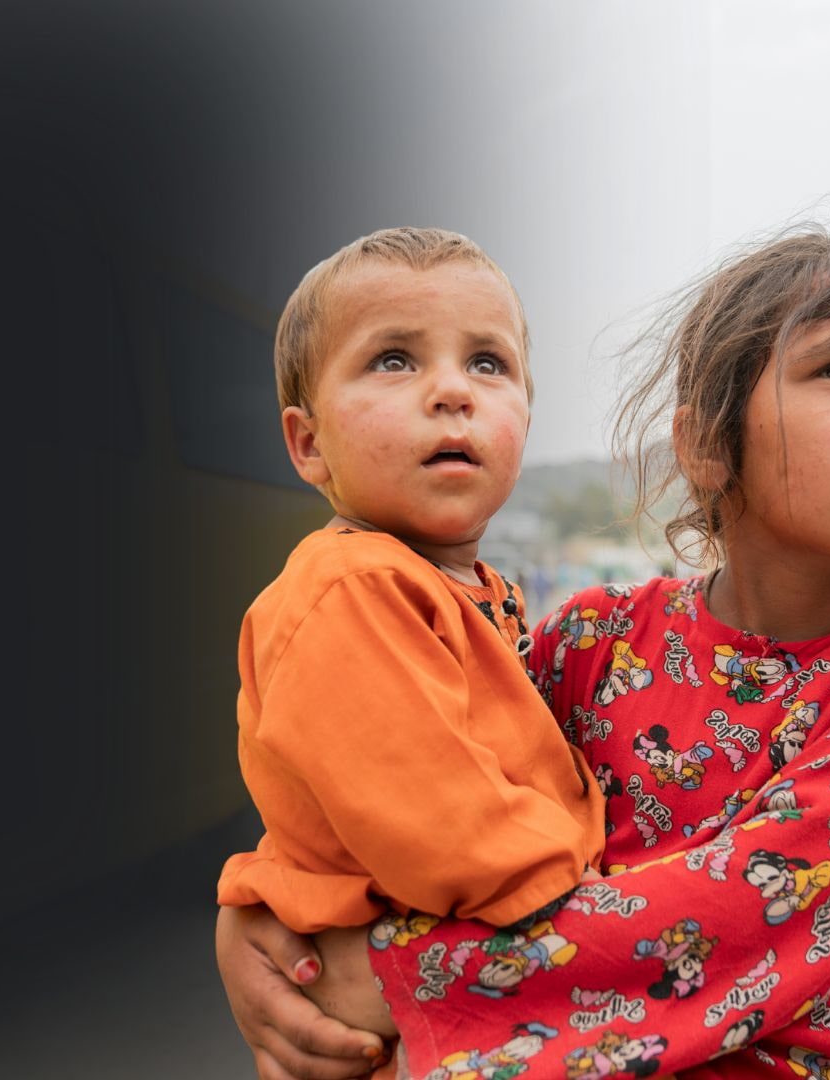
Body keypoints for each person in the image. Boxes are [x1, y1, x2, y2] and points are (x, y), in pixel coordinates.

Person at [216, 221, 830, 1078]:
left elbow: (731, 928)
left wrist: (376, 973)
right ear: (705, 444)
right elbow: (396, 790)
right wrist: (261, 912)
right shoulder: (596, 643)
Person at [215, 227, 606, 1038]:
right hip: (436, 1020)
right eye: (394, 359)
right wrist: (609, 892)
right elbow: (455, 836)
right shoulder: (352, 589)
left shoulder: (470, 591)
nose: (452, 390)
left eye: (488, 363)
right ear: (309, 443)